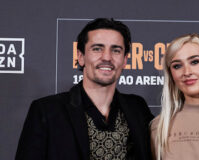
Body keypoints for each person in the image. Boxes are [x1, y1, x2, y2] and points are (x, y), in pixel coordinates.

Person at [16, 18, 154, 160]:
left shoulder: (138, 108)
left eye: (116, 50)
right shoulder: (46, 111)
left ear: (125, 60)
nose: (107, 57)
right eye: (97, 49)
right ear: (81, 57)